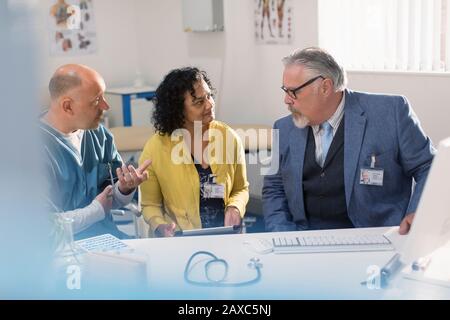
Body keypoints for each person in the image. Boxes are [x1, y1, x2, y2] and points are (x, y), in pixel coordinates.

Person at [262, 47, 435, 235]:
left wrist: (418, 211)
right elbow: (274, 188)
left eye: (293, 91)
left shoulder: (390, 112)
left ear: (325, 87)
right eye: (285, 90)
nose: (286, 100)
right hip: (304, 239)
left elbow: (428, 165)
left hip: (376, 237)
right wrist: (282, 234)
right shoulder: (284, 128)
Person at [40, 64, 151, 240]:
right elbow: (44, 227)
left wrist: (124, 188)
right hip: (65, 250)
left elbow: (111, 199)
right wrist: (96, 210)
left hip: (109, 239)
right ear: (68, 106)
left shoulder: (100, 135)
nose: (106, 106)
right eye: (96, 100)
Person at [139, 67, 249, 237]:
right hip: (182, 241)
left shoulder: (228, 137)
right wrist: (160, 225)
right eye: (198, 102)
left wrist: (235, 208)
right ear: (178, 110)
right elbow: (149, 204)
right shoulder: (155, 148)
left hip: (227, 236)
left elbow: (240, 189)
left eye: (209, 96)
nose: (209, 104)